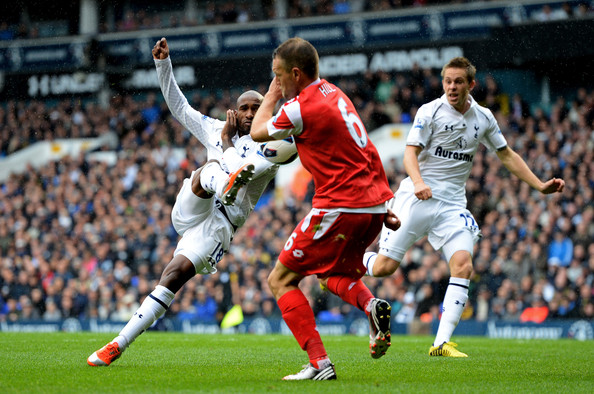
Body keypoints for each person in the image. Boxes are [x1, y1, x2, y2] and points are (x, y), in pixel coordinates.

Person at [87, 37, 279, 366]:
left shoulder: (269, 149)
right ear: (235, 110)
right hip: (195, 204)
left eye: (255, 108)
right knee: (210, 170)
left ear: (265, 112)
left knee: (173, 274)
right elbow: (179, 108)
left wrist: (223, 142)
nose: (249, 113)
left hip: (219, 226)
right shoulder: (218, 127)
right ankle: (223, 183)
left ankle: (118, 343)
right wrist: (163, 64)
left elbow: (243, 167)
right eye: (244, 107)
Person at [363, 57, 565, 357]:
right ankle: (354, 259)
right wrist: (418, 182)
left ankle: (441, 343)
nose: (452, 87)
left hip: (452, 206)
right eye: (447, 81)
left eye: (458, 82)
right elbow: (409, 154)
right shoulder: (430, 111)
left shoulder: (483, 118)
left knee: (463, 265)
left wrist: (539, 185)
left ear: (471, 84)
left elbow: (506, 154)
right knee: (383, 268)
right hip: (415, 197)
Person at [250, 37, 400, 380]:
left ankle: (319, 363)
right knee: (332, 273)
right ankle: (370, 305)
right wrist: (382, 204)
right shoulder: (336, 94)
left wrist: (270, 96)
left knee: (280, 280)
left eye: (278, 75)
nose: (277, 82)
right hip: (371, 204)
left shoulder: (299, 106)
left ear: (295, 73)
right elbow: (367, 149)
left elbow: (258, 131)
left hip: (339, 206)